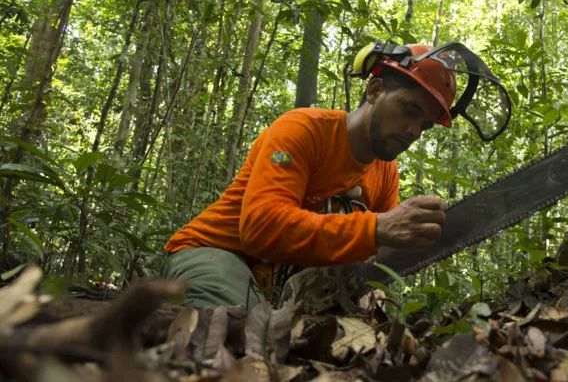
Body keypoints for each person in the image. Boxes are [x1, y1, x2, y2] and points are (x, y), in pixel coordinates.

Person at [160, 42, 459, 310]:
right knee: (231, 324)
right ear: (375, 91)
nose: (414, 132)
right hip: (216, 251)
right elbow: (260, 229)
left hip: (280, 284)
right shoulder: (303, 130)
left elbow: (372, 252)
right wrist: (376, 228)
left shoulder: (386, 173)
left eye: (425, 125)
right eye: (409, 110)